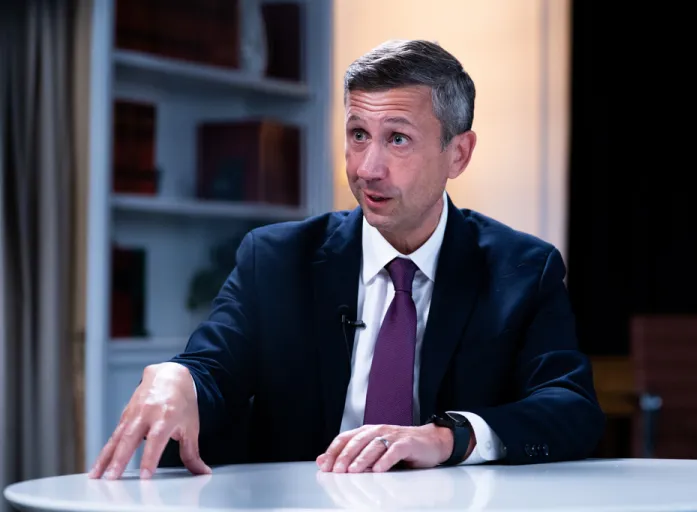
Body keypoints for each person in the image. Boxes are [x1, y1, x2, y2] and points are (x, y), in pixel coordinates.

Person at [89, 39, 604, 480]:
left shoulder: (522, 269)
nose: (368, 169)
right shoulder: (276, 259)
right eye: (358, 135)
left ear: (459, 154)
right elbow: (213, 371)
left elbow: (571, 410)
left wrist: (448, 438)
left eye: (397, 139)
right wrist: (179, 379)